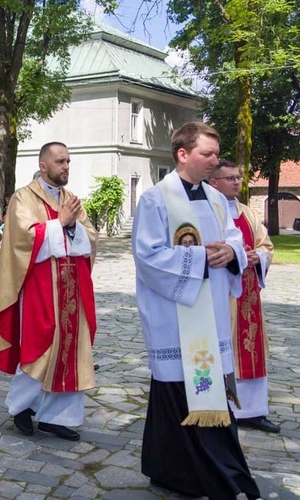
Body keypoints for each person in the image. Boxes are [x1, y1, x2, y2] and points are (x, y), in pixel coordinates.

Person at [132, 122, 260, 499]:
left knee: (210, 392)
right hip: (174, 317)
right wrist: (202, 258)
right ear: (183, 154)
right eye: (207, 154)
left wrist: (232, 253)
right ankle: (181, 472)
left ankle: (178, 470)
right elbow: (148, 257)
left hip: (212, 315)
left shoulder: (218, 198)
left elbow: (235, 237)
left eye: (216, 154)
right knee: (173, 393)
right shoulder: (156, 198)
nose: (213, 161)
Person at [0, 142, 97, 441]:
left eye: (69, 162)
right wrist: (59, 224)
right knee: (40, 348)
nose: (66, 167)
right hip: (39, 289)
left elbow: (90, 236)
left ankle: (56, 417)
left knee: (69, 350)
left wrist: (72, 228)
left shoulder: (72, 199)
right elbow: (23, 240)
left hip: (73, 289)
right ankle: (21, 407)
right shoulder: (22, 198)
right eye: (60, 162)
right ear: (43, 165)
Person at [209, 160, 279, 434]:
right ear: (214, 182)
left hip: (248, 294)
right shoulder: (208, 212)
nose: (237, 182)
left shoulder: (247, 213)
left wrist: (257, 256)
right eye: (229, 178)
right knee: (225, 350)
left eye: (238, 177)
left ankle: (252, 410)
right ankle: (223, 407)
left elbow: (266, 245)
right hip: (223, 295)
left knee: (252, 349)